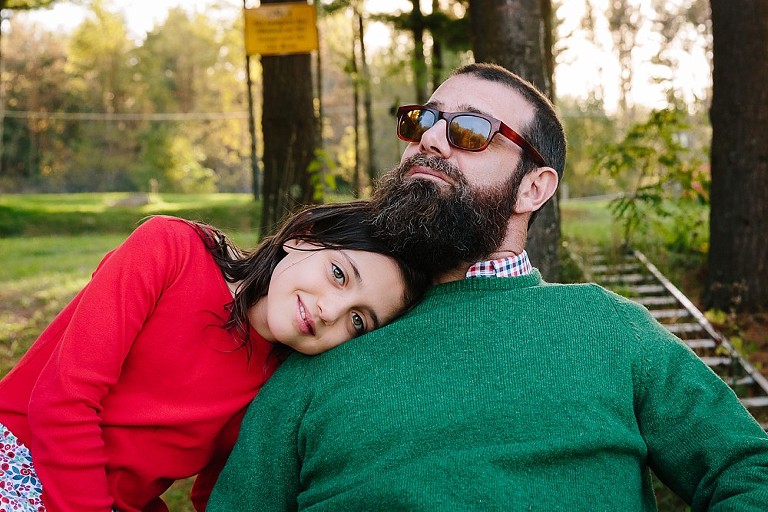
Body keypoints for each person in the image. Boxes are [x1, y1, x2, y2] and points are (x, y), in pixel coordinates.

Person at [208, 62, 768, 511]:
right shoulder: (328, 333)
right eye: (420, 122)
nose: (430, 141)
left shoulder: (607, 328)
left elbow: (747, 468)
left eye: (469, 131)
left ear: (533, 188)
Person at [0, 201, 428, 512]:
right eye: (338, 274)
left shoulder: (281, 379)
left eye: (358, 321)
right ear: (304, 237)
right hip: (20, 459)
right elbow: (63, 401)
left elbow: (219, 492)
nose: (331, 311)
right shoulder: (171, 250)